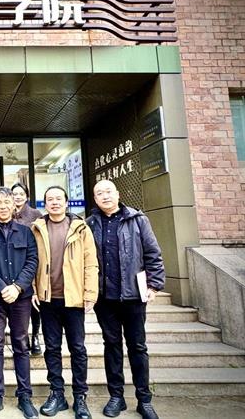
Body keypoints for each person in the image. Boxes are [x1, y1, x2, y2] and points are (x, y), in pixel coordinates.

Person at [86, 180, 165, 419]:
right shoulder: (90, 223)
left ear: (117, 194)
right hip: (105, 298)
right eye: (99, 193)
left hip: (133, 296)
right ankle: (116, 397)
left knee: (137, 347)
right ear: (95, 198)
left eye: (108, 191)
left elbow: (153, 253)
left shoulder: (137, 219)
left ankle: (144, 399)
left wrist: (154, 284)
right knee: (111, 346)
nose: (105, 196)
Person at [31, 186, 99, 419]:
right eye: (50, 199)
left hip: (74, 298)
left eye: (59, 198)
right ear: (44, 204)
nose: (55, 202)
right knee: (52, 348)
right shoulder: (37, 228)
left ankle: (80, 396)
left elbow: (91, 263)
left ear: (66, 202)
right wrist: (33, 290)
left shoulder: (81, 228)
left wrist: (90, 293)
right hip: (48, 299)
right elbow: (31, 261)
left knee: (77, 348)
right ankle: (57, 393)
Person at [0, 186, 39, 419]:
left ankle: (25, 397)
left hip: (21, 297)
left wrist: (18, 286)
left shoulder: (26, 233)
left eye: (6, 202)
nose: (2, 207)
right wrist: (2, 288)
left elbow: (32, 260)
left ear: (14, 204)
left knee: (21, 344)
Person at [11, 182, 43, 355]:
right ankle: (21, 338)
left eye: (21, 194)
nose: (17, 197)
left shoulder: (35, 214)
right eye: (14, 194)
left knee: (33, 302)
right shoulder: (6, 213)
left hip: (31, 261)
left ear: (27, 196)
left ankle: (35, 335)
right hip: (12, 263)